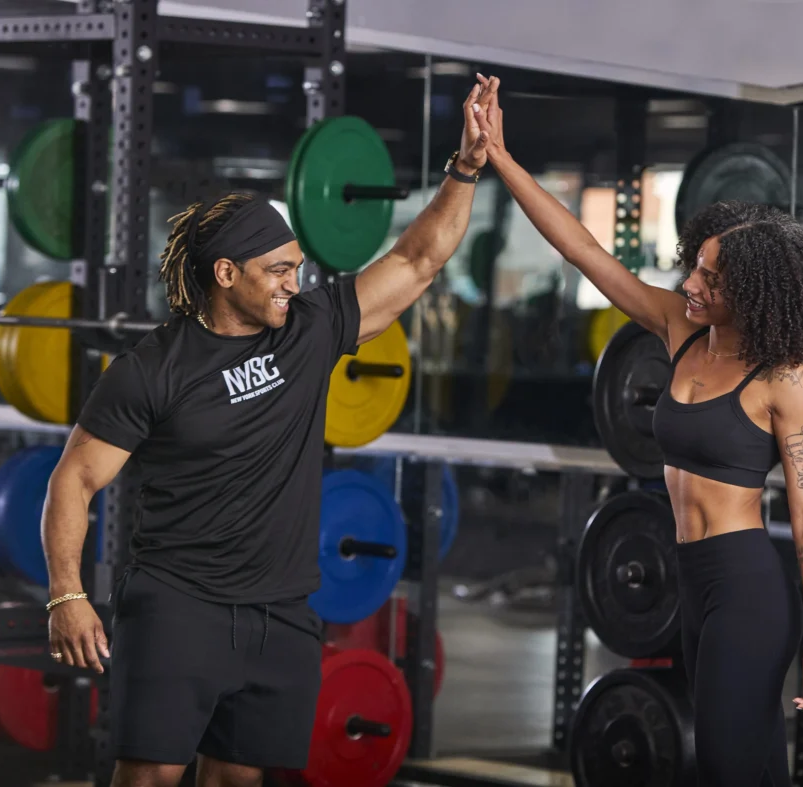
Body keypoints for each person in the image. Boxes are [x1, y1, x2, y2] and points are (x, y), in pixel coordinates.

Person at [41, 76, 499, 787]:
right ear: (227, 273)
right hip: (177, 606)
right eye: (278, 270)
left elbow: (417, 259)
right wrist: (67, 593)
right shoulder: (150, 369)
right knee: (147, 779)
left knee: (240, 779)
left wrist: (466, 167)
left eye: (297, 268)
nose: (296, 281)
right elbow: (74, 477)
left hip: (283, 609)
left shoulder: (309, 331)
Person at [474, 78, 803, 786]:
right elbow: (584, 250)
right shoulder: (678, 326)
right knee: (744, 767)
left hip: (747, 588)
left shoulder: (781, 376)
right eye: (695, 267)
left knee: (731, 764)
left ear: (753, 294)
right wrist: (501, 157)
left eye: (710, 278)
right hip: (691, 580)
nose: (692, 282)